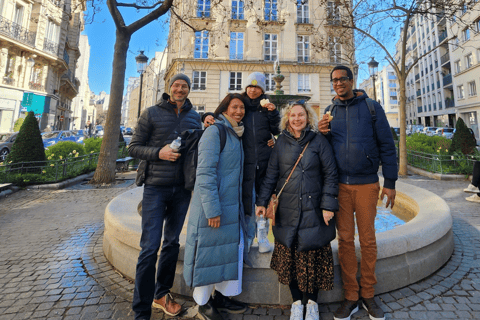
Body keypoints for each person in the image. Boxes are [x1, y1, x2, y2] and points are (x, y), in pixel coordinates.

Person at [318, 65, 398, 320]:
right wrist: (322, 134)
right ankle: (351, 296)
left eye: (343, 79)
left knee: (368, 240)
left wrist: (391, 182)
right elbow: (326, 151)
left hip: (366, 184)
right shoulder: (330, 111)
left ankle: (368, 294)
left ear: (351, 81)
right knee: (344, 241)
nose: (338, 83)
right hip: (339, 186)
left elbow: (387, 144)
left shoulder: (372, 107)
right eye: (334, 80)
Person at [128, 74, 202, 320]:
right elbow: (133, 147)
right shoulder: (150, 113)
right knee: (149, 248)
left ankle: (161, 294)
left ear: (189, 90)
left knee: (171, 244)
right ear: (169, 88)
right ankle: (140, 310)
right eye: (176, 85)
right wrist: (158, 152)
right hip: (155, 187)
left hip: (181, 189)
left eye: (184, 86)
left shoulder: (194, 117)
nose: (180, 89)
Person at [256, 102, 338, 320]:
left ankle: (311, 303)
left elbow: (331, 173)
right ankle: (296, 303)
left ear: (307, 117)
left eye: (301, 115)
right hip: (288, 210)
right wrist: (262, 201)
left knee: (312, 260)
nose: (297, 119)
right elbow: (271, 175)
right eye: (293, 115)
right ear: (287, 119)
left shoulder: (319, 141)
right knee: (289, 260)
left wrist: (328, 205)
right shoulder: (281, 142)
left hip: (313, 210)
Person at [183, 93, 249, 320]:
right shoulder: (215, 132)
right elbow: (205, 173)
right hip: (213, 207)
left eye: (242, 108)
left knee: (225, 253)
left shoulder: (236, 133)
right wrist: (212, 209)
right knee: (207, 255)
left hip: (231, 207)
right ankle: (202, 303)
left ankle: (221, 297)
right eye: (234, 107)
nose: (239, 111)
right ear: (224, 109)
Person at [203, 72, 281, 254]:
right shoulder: (240, 105)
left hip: (264, 162)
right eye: (250, 86)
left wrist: (273, 114)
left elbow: (277, 130)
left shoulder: (267, 106)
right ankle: (246, 238)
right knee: (247, 201)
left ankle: (262, 236)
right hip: (243, 163)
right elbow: (220, 114)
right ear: (246, 87)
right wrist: (205, 116)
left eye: (257, 87)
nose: (253, 90)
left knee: (265, 198)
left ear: (262, 89)